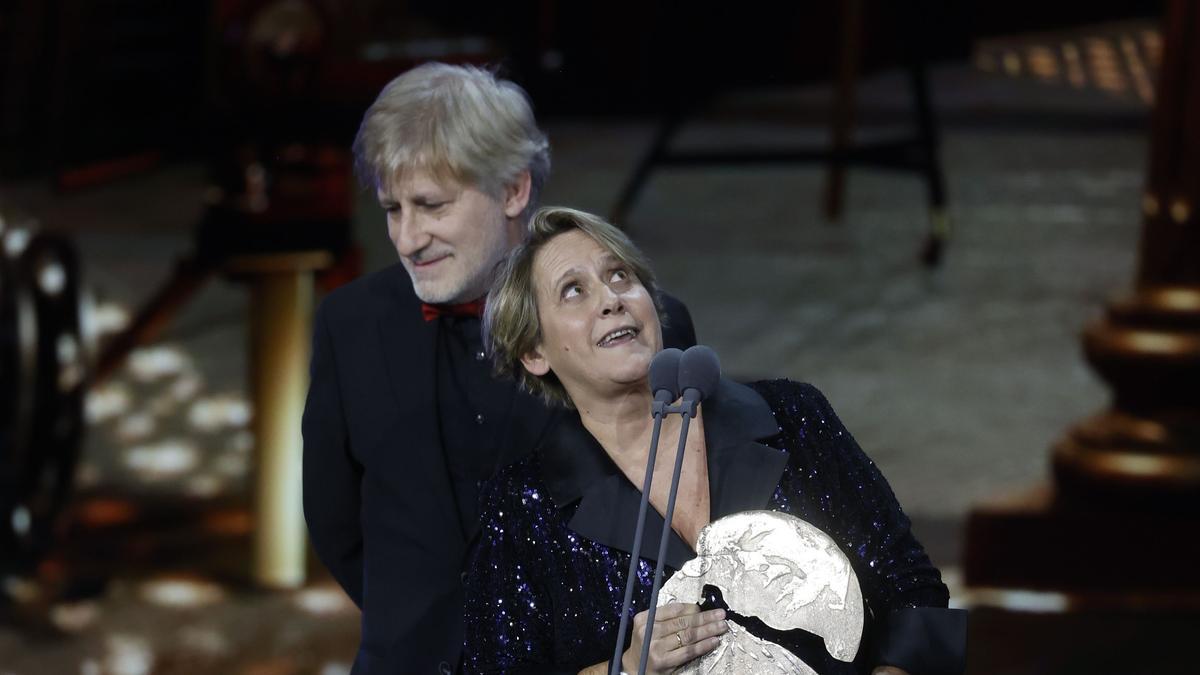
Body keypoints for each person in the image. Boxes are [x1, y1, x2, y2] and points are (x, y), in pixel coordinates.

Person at [301, 64, 697, 673]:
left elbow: (677, 522)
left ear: (513, 190)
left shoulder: (640, 326)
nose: (408, 239)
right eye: (392, 208)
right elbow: (334, 522)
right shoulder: (349, 325)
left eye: (431, 206)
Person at [465, 206, 966, 675]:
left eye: (620, 275)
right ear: (534, 352)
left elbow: (912, 590)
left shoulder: (793, 416)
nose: (611, 299)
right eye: (573, 290)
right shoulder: (522, 505)